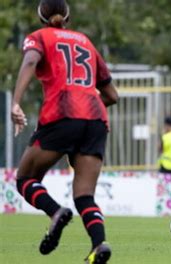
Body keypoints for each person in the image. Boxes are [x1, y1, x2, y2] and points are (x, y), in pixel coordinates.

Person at [11, 1, 118, 263]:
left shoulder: (39, 37)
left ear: (40, 17)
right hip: (95, 120)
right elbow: (112, 95)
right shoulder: (85, 41)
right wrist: (88, 109)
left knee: (25, 179)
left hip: (62, 114)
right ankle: (99, 245)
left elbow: (30, 60)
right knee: (84, 195)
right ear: (68, 17)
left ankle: (56, 212)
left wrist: (16, 102)